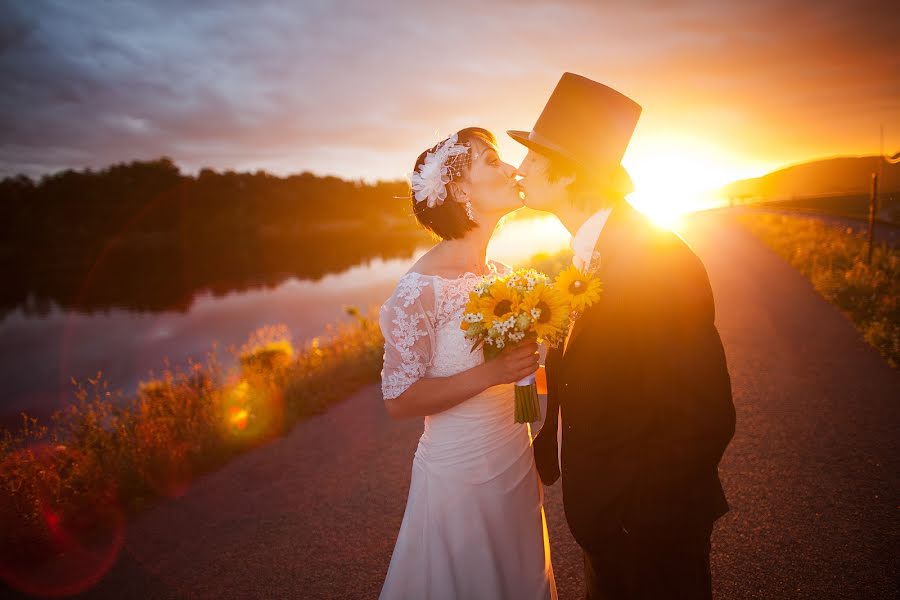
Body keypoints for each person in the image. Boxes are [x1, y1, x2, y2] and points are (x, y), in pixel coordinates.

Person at [512, 73, 736, 599]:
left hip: (648, 532)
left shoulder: (656, 261)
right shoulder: (592, 253)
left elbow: (705, 413)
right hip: (610, 526)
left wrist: (637, 518)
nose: (520, 169)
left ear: (570, 176)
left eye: (533, 157)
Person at [378, 127, 557, 600]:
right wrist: (492, 373)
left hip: (516, 464)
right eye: (492, 161)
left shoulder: (500, 277)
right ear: (460, 190)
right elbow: (399, 401)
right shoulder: (419, 291)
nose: (512, 169)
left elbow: (519, 380)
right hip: (461, 474)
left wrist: (531, 386)